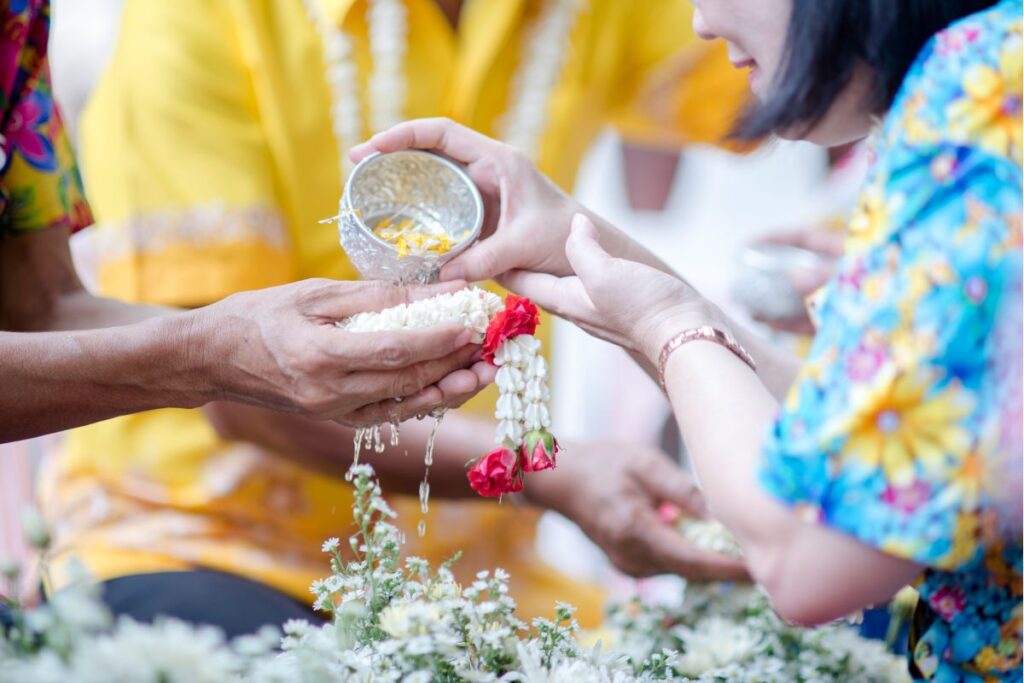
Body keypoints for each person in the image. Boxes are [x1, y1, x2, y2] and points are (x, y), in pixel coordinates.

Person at [354, 0, 1024, 678]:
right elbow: (853, 446)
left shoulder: (977, 97)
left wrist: (666, 326)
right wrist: (574, 240)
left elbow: (812, 551)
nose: (699, 22)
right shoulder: (989, 72)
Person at [50, 0, 751, 633]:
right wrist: (546, 473)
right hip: (204, 543)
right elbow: (232, 388)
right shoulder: (196, 16)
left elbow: (793, 71)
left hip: (479, 582)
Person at [0, 0, 488, 445]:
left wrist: (225, 349)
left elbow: (43, 310)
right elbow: (223, 376)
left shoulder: (19, 16)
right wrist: (206, 354)